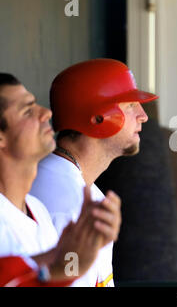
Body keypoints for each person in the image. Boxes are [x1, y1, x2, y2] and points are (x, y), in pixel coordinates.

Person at [30, 58, 158, 287]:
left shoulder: (80, 186)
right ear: (99, 119)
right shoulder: (67, 203)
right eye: (130, 105)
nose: (143, 115)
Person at [0, 73, 121, 287]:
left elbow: (50, 275)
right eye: (27, 111)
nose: (46, 113)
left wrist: (74, 257)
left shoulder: (37, 209)